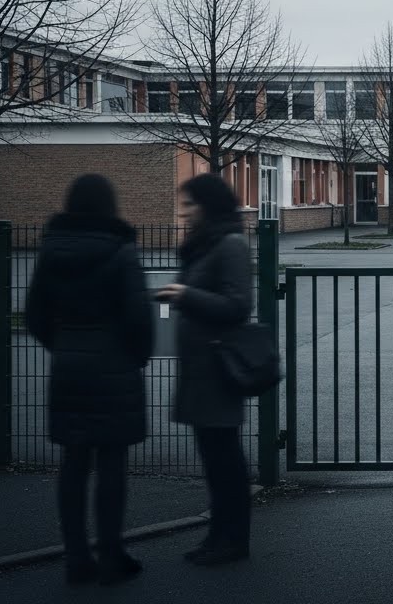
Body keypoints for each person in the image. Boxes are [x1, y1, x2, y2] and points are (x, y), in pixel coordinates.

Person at [25, 175, 154, 586]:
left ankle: (76, 557)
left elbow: (34, 314)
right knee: (112, 465)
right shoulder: (120, 249)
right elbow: (138, 316)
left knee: (74, 464)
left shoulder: (51, 249)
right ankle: (112, 553)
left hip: (69, 366)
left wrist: (63, 345)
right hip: (114, 366)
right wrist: (136, 356)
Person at [158, 174, 254, 567]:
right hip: (201, 368)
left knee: (224, 459)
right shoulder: (202, 246)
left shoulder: (229, 244)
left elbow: (238, 305)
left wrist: (186, 294)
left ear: (208, 206)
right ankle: (218, 535)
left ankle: (232, 539)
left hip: (218, 369)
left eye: (189, 205)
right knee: (215, 458)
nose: (183, 212)